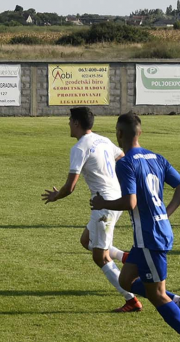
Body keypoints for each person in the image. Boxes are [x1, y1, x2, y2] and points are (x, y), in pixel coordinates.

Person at [91, 112, 180, 342]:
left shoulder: (126, 163)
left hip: (150, 237)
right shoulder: (157, 157)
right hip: (151, 234)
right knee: (126, 280)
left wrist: (103, 202)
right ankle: (179, 301)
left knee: (156, 294)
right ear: (139, 132)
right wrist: (165, 214)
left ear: (119, 133)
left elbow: (130, 202)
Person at [41, 107, 140, 313]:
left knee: (99, 257)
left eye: (70, 120)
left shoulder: (79, 148)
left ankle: (131, 299)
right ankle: (126, 258)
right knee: (86, 241)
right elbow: (122, 157)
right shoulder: (103, 140)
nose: (68, 124)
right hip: (117, 198)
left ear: (77, 123)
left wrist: (55, 196)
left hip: (104, 205)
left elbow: (70, 187)